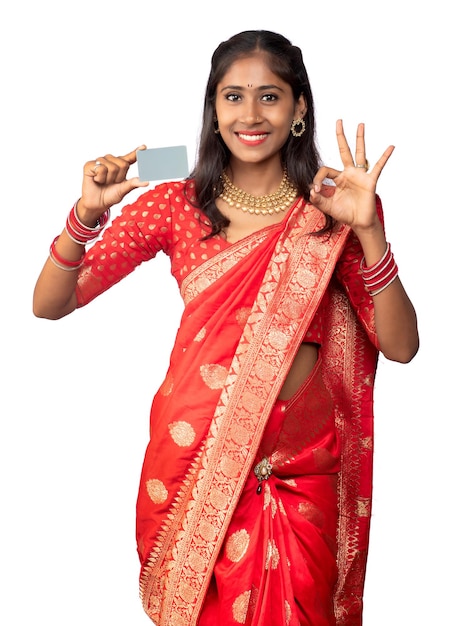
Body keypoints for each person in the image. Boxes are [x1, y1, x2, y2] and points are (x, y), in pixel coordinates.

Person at [33, 29, 419, 626]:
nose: (250, 114)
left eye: (270, 96)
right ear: (213, 111)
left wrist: (369, 233)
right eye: (233, 96)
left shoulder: (333, 207)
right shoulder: (177, 203)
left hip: (299, 477)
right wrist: (87, 215)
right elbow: (51, 302)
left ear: (299, 109)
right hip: (194, 467)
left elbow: (401, 346)